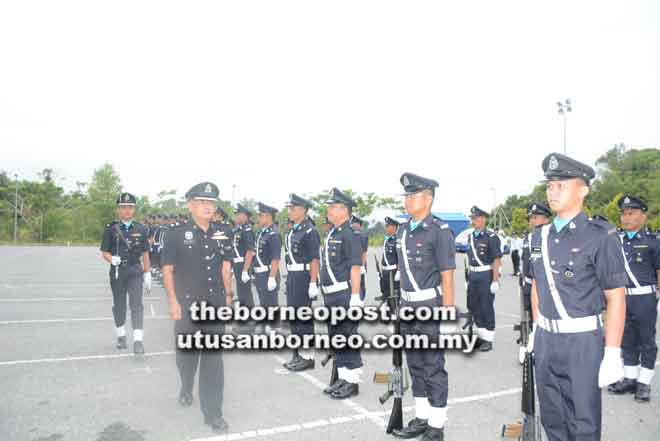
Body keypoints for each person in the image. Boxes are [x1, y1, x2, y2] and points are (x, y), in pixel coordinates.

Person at [528, 153, 626, 441]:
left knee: (582, 422)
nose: (553, 192)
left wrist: (612, 352)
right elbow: (537, 285)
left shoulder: (600, 235)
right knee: (553, 418)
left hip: (582, 342)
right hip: (546, 339)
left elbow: (616, 296)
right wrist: (536, 328)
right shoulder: (538, 236)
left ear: (583, 190)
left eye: (562, 185)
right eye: (550, 186)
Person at [161, 182, 233, 433]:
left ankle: (213, 413)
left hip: (214, 305)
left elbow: (226, 267)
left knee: (213, 360)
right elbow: (167, 270)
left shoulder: (224, 232)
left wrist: (229, 298)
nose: (207, 207)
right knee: (186, 357)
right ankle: (185, 384)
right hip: (187, 306)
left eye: (211, 203)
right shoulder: (175, 233)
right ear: (190, 204)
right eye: (202, 202)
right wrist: (173, 301)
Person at [391, 173, 455, 441]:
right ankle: (421, 417)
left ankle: (437, 425)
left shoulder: (439, 231)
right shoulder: (404, 230)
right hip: (407, 305)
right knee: (415, 363)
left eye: (412, 195)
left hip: (429, 305)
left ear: (428, 199)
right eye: (406, 195)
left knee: (432, 366)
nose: (407, 200)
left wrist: (448, 317)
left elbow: (448, 277)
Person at [607, 195, 660, 402]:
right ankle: (630, 378)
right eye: (624, 214)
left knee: (646, 340)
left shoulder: (652, 242)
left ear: (642, 216)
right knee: (626, 338)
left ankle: (644, 382)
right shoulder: (615, 241)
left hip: (644, 297)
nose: (626, 218)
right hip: (621, 298)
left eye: (631, 214)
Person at [320, 188, 364, 399]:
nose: (328, 210)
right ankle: (343, 379)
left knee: (347, 337)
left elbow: (355, 267)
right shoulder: (333, 232)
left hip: (344, 294)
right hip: (331, 296)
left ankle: (353, 382)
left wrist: (355, 296)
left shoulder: (350, 233)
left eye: (332, 206)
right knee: (337, 338)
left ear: (344, 210)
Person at [100, 192, 151, 354]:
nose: (127, 210)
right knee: (119, 305)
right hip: (118, 271)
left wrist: (147, 272)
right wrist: (111, 259)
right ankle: (121, 336)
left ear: (134, 209)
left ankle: (138, 340)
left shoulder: (142, 229)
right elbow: (104, 252)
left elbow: (145, 253)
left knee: (136, 305)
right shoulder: (111, 229)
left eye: (130, 207)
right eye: (123, 207)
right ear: (119, 210)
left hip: (135, 271)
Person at [283, 194, 321, 371]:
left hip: (304, 277)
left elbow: (314, 259)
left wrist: (313, 282)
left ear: (304, 211)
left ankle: (308, 357)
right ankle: (297, 353)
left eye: (293, 208)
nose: (290, 211)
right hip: (292, 277)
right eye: (289, 208)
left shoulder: (310, 231)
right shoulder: (292, 231)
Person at [465, 206, 502, 351]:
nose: (473, 221)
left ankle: (489, 339)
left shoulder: (491, 237)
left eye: (476, 218)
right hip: (473, 276)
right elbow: (469, 259)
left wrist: (495, 280)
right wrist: (468, 279)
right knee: (474, 306)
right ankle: (481, 335)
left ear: (483, 219)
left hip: (486, 275)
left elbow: (496, 260)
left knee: (486, 306)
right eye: (472, 218)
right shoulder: (470, 236)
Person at [253, 202, 282, 335]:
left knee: (271, 301)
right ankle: (266, 325)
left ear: (268, 216)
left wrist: (272, 277)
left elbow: (275, 258)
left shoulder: (273, 234)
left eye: (261, 215)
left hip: (268, 273)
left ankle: (274, 327)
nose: (258, 218)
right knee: (263, 300)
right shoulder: (261, 233)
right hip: (260, 273)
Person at [231, 203, 256, 334]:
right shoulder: (239, 230)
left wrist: (246, 270)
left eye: (238, 214)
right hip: (237, 265)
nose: (236, 216)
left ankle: (249, 324)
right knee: (241, 295)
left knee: (246, 295)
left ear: (245, 216)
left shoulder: (247, 231)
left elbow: (250, 251)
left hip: (243, 266)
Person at [381, 216, 400, 311]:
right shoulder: (387, 239)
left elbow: (400, 257)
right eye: (386, 226)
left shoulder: (397, 240)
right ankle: (387, 306)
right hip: (385, 271)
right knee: (385, 290)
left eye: (388, 226)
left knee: (394, 293)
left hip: (393, 271)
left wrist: (399, 271)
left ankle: (394, 310)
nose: (386, 228)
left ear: (393, 227)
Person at [351, 215, 369, 301]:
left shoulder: (363, 235)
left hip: (360, 263)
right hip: (352, 264)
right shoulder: (351, 234)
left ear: (359, 225)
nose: (353, 225)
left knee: (361, 283)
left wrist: (362, 265)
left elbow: (364, 252)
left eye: (355, 223)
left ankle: (361, 299)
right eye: (352, 223)